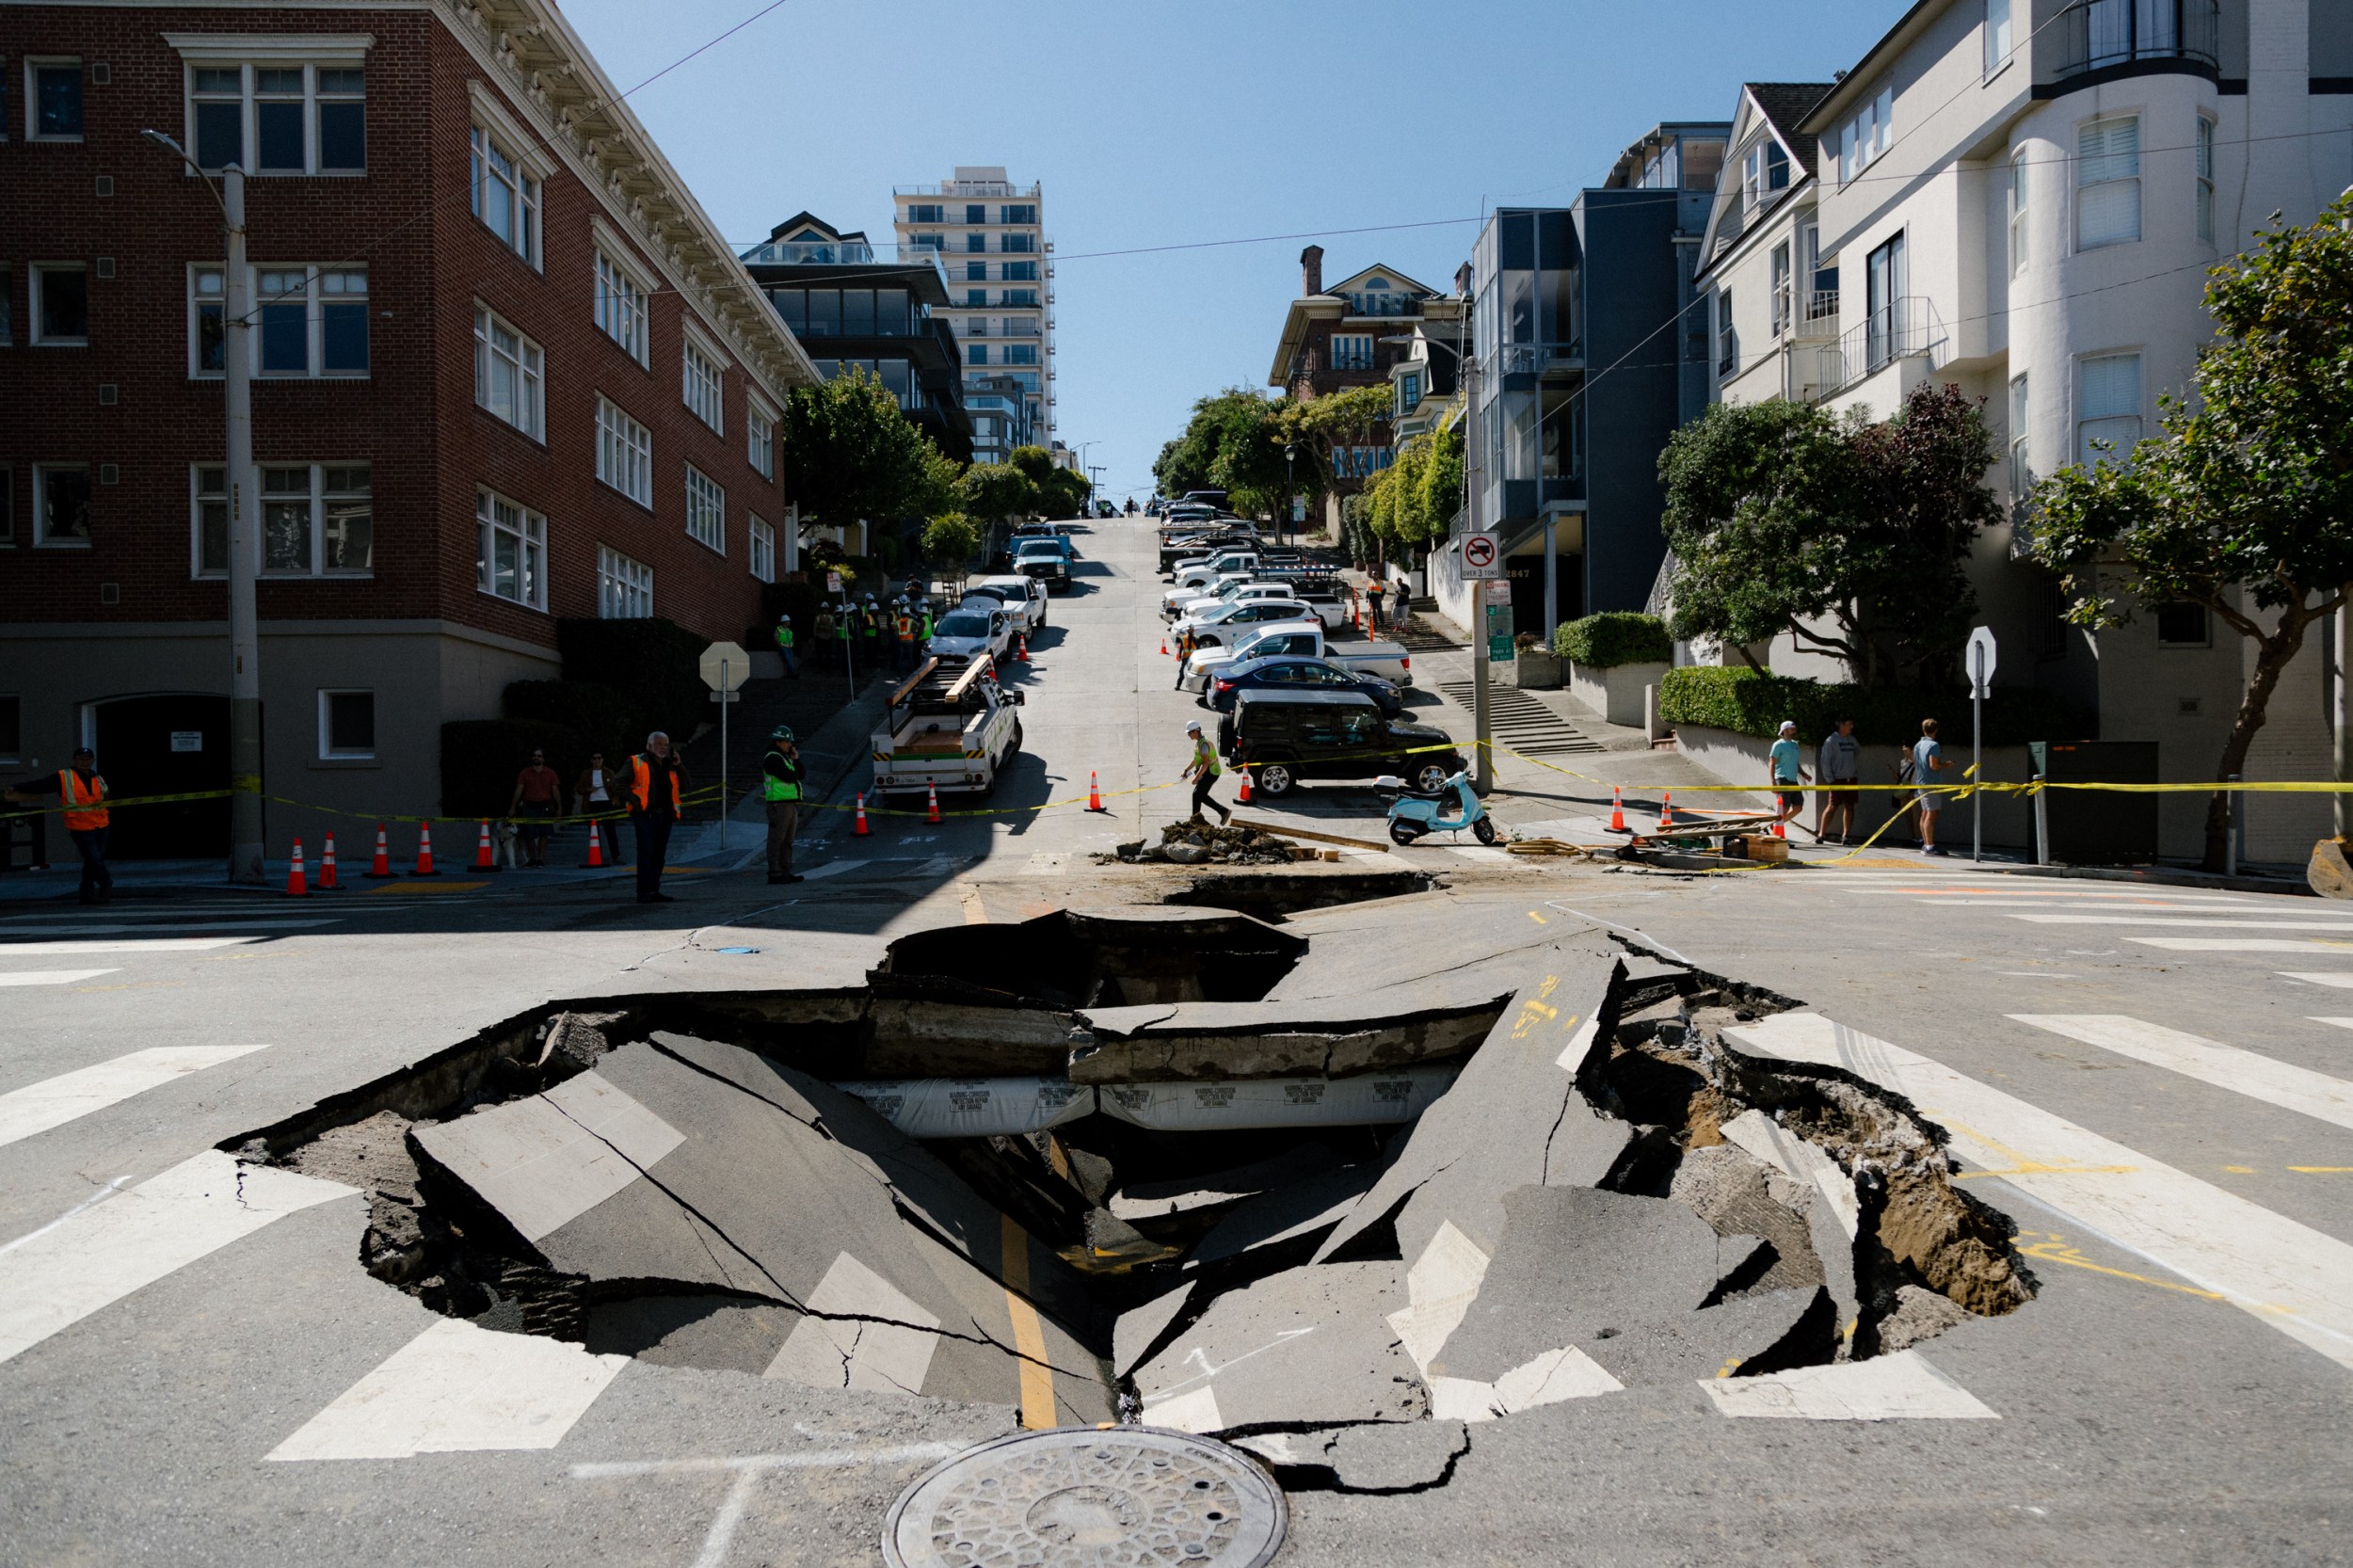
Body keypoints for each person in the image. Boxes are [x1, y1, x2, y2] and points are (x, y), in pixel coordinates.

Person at [6, 746, 110, 904]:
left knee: (93, 860)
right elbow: (41, 785)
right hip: (80, 827)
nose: (84, 762)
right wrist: (17, 787)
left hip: (101, 825)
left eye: (88, 759)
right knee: (94, 859)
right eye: (81, 759)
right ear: (75, 760)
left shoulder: (98, 778)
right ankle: (106, 882)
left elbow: (105, 797)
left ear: (93, 761)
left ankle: (86, 893)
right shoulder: (65, 776)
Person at [626, 731, 686, 903]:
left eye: (666, 745)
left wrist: (679, 765)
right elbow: (618, 783)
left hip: (665, 816)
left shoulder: (669, 765)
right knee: (646, 854)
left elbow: (686, 785)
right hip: (646, 815)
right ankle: (643, 892)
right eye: (660, 744)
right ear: (649, 745)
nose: (663, 747)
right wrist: (634, 802)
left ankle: (653, 890)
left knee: (659, 855)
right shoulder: (637, 762)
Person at [760, 725, 805, 885]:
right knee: (776, 839)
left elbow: (801, 774)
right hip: (778, 806)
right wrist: (795, 772)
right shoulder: (772, 757)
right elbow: (790, 776)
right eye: (787, 742)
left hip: (789, 804)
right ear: (778, 742)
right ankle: (775, 873)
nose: (790, 745)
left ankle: (786, 871)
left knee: (788, 840)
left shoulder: (785, 757)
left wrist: (796, 759)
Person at [508, 747, 562, 867]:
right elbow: (519, 790)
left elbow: (555, 790)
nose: (536, 757)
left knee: (544, 833)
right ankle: (532, 858)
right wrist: (513, 806)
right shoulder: (525, 773)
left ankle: (540, 859)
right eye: (534, 755)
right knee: (529, 834)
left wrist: (559, 807)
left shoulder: (550, 773)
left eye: (539, 756)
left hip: (545, 806)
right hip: (529, 805)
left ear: (543, 759)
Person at [1913, 718, 1955, 856]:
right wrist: (1945, 765)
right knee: (1932, 813)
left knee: (1925, 812)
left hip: (1921, 781)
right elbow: (1933, 765)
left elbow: (1917, 763)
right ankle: (1930, 846)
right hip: (1932, 783)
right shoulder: (1934, 745)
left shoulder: (1918, 745)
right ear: (1936, 730)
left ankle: (1926, 844)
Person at [574, 750, 625, 864]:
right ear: (591, 761)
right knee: (594, 832)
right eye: (594, 758)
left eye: (599, 758)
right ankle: (597, 856)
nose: (597, 760)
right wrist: (588, 789)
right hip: (591, 804)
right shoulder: (586, 774)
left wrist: (615, 800)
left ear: (602, 760)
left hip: (606, 803)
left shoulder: (609, 773)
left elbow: (617, 787)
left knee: (610, 831)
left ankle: (616, 855)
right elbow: (579, 789)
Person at [1816, 717, 1861, 843]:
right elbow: (1825, 761)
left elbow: (1857, 752)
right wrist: (1830, 779)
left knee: (1850, 806)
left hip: (1851, 779)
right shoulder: (1831, 741)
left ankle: (1845, 836)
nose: (1852, 726)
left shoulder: (1852, 740)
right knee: (1832, 806)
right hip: (1837, 780)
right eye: (1849, 724)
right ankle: (1821, 835)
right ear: (1842, 726)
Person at [1181, 718, 1229, 825]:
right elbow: (1196, 759)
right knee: (1200, 795)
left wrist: (1196, 778)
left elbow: (1205, 764)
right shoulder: (1200, 742)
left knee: (1197, 794)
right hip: (1208, 771)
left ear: (1196, 731)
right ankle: (1222, 811)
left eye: (1189, 733)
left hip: (1211, 772)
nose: (1188, 735)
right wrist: (1186, 770)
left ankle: (1195, 820)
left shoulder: (1203, 744)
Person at [1767, 720, 1810, 830]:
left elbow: (1795, 762)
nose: (1794, 730)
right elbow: (1772, 763)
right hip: (1782, 778)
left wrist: (1803, 774)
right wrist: (1773, 783)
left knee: (1798, 807)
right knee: (1784, 807)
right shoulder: (1778, 744)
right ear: (1785, 730)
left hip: (1793, 780)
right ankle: (1777, 827)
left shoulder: (1795, 744)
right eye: (1792, 728)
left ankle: (1776, 824)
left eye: (1794, 728)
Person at [811, 606, 837, 672]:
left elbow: (833, 626)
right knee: (820, 652)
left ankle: (828, 666)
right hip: (820, 636)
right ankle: (820, 666)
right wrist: (815, 635)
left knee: (828, 652)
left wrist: (832, 635)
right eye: (824, 609)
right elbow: (815, 626)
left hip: (828, 636)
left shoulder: (831, 617)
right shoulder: (818, 617)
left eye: (826, 609)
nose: (825, 610)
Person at [773, 615, 798, 680]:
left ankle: (789, 675)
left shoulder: (789, 630)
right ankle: (792, 674)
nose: (789, 622)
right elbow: (776, 637)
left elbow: (792, 639)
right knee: (788, 660)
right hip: (783, 647)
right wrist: (780, 644)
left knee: (790, 661)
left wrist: (792, 644)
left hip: (789, 647)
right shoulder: (779, 629)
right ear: (785, 621)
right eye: (788, 621)